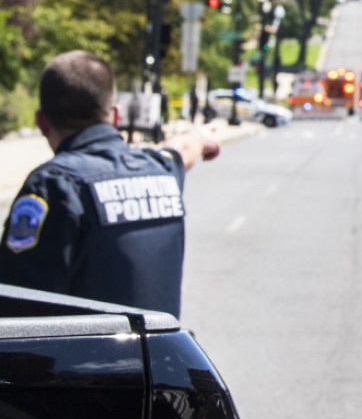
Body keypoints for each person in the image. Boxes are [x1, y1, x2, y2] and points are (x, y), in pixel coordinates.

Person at [0, 50, 220, 317]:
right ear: (116, 116)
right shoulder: (160, 171)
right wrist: (201, 137)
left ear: (42, 123)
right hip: (157, 357)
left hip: (82, 358)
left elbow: (16, 305)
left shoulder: (53, 186)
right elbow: (182, 150)